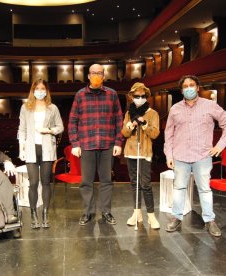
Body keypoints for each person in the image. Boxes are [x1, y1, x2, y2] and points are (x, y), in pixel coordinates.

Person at [164, 75, 226, 237]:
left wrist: (220, 145)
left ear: (197, 87)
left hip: (202, 155)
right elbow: (169, 134)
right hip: (180, 155)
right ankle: (176, 217)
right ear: (182, 90)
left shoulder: (210, 105)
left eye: (192, 85)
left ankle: (210, 220)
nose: (189, 88)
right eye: (185, 86)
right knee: (179, 188)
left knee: (204, 189)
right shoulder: (175, 109)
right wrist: (169, 154)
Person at [68, 63, 123, 226]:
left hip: (107, 144)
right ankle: (88, 212)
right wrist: (75, 143)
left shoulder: (112, 94)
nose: (97, 75)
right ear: (88, 76)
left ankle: (106, 211)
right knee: (86, 181)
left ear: (104, 76)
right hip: (86, 144)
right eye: (93, 73)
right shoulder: (80, 95)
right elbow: (73, 121)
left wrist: (118, 142)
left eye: (100, 73)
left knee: (106, 180)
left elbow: (119, 119)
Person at [18, 79, 64, 229]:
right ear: (32, 90)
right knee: (33, 183)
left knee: (45, 183)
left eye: (42, 88)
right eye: (37, 88)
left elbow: (60, 127)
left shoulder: (52, 108)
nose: (39, 91)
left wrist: (50, 130)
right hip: (31, 149)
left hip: (47, 149)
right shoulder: (26, 107)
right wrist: (21, 149)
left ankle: (45, 214)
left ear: (46, 90)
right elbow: (22, 129)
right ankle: (33, 214)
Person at [121, 82, 160, 229]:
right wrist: (131, 124)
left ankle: (151, 216)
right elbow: (124, 133)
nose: (140, 98)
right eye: (137, 96)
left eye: (142, 96)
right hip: (131, 152)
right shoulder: (129, 113)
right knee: (134, 184)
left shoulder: (153, 113)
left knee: (146, 184)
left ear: (147, 96)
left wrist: (144, 124)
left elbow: (155, 134)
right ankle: (136, 213)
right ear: (132, 97)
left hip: (144, 152)